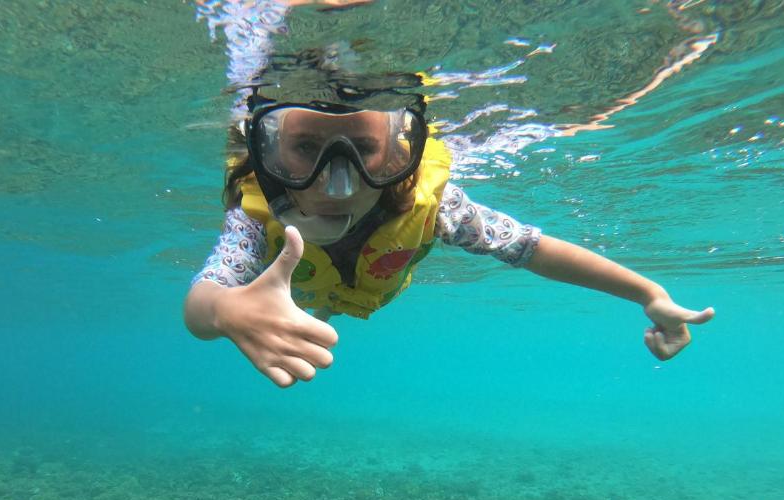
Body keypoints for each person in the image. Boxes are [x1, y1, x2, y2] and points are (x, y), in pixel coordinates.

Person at [184, 75, 715, 388]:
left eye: (364, 149)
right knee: (308, 305)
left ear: (402, 150)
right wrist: (228, 311)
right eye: (304, 148)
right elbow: (203, 300)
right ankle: (314, 306)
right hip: (300, 294)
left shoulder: (438, 207)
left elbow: (532, 249)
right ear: (265, 151)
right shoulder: (255, 219)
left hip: (367, 289)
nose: (337, 183)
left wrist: (649, 293)